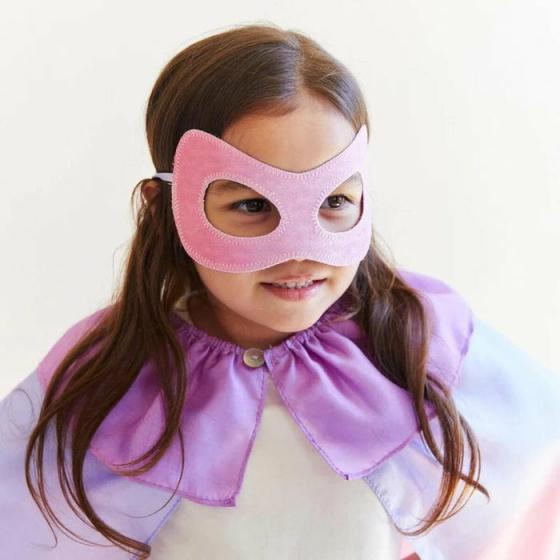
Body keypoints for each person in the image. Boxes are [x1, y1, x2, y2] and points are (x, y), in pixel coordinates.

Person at [1, 23, 559, 560]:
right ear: (165, 207)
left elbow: (533, 488)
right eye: (251, 205)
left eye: (334, 201)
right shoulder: (110, 376)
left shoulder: (419, 342)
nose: (300, 253)